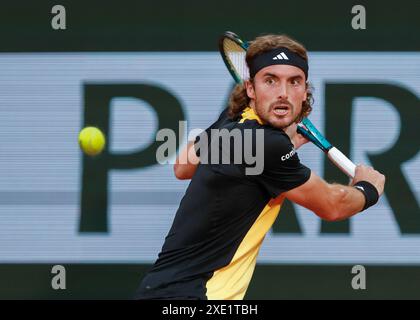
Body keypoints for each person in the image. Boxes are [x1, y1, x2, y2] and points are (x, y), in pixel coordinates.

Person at [134, 34, 385, 300]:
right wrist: (367, 187)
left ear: (305, 91)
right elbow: (333, 205)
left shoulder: (234, 121)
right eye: (270, 80)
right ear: (251, 88)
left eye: (294, 82)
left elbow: (183, 166)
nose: (283, 93)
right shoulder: (267, 145)